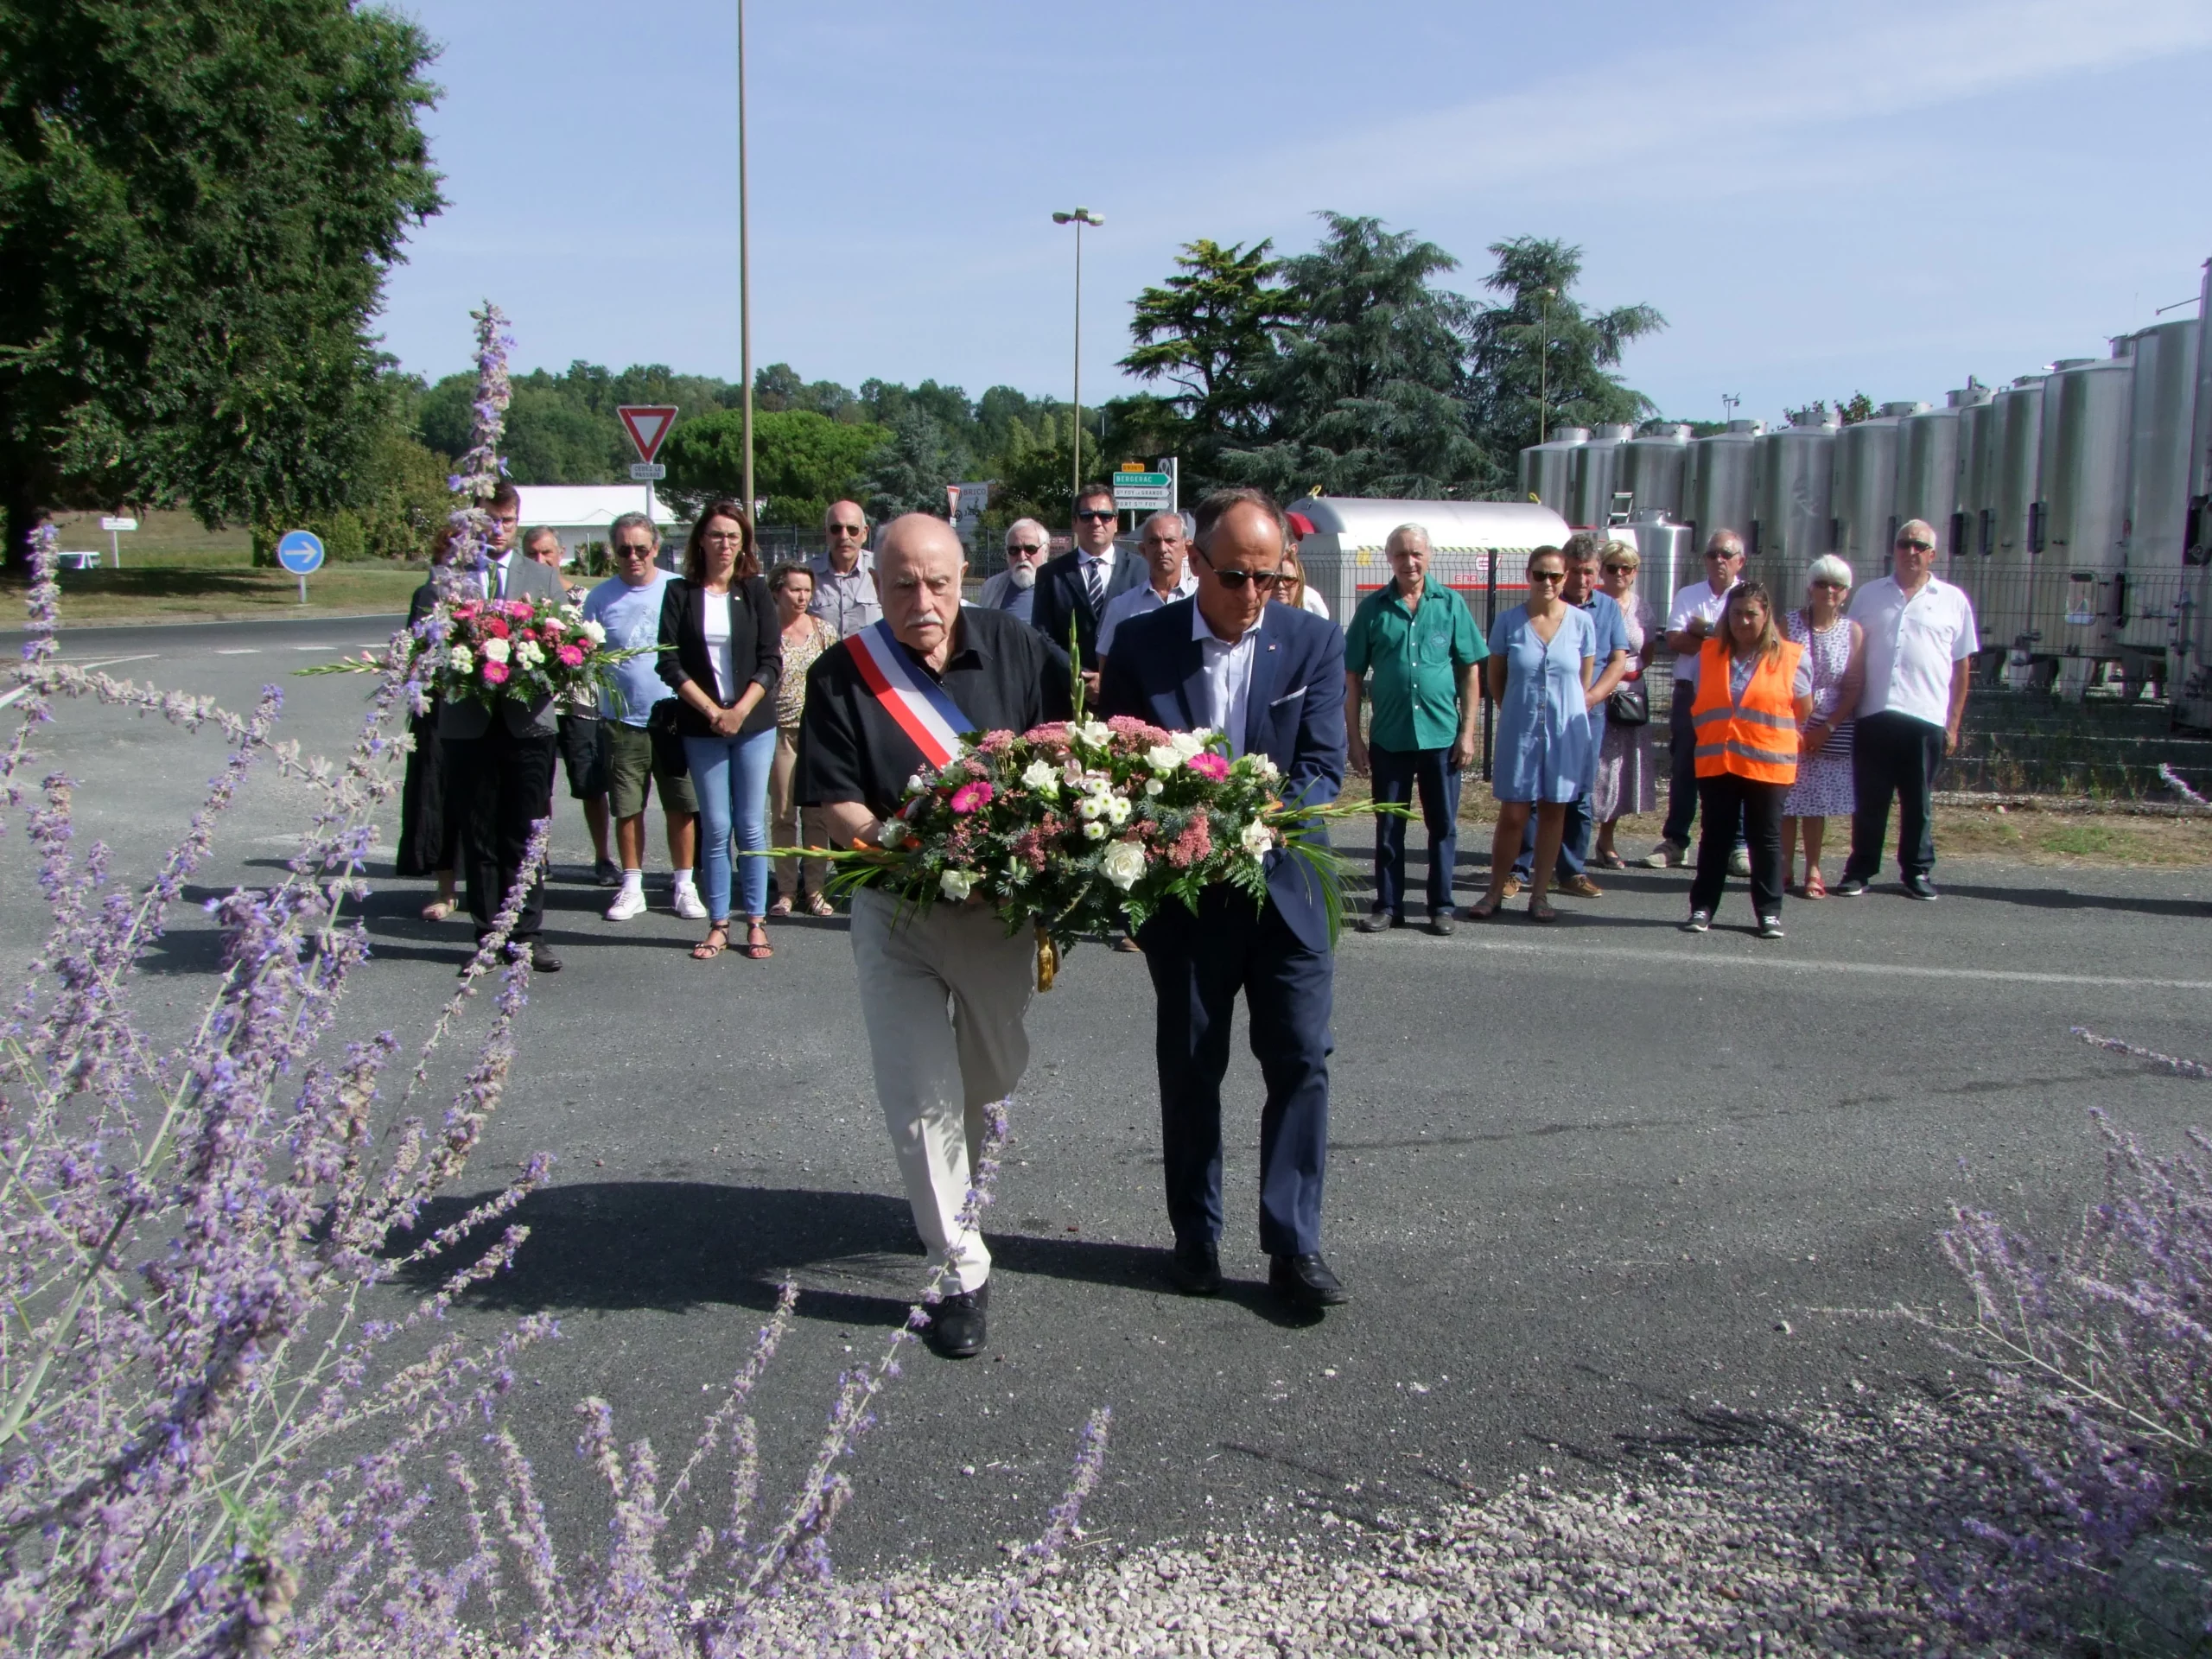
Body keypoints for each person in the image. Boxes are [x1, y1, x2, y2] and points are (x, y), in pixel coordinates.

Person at [795, 514, 1072, 1358]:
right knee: (920, 1097)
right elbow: (831, 800)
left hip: (997, 915)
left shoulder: (1023, 653)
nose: (924, 600)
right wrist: (905, 848)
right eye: (904, 584)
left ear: (966, 578)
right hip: (896, 909)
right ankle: (959, 1270)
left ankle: (959, 1202)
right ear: (875, 589)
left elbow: (1070, 760)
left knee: (987, 1080)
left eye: (939, 581)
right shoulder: (844, 674)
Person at [1098, 486, 1352, 1314]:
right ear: (1198, 564)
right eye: (1237, 577)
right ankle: (1195, 1235)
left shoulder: (1312, 640)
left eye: (1270, 579)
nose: (1253, 597)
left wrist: (1264, 814)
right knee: (1192, 1066)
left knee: (1302, 1062)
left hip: (1285, 890)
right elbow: (1118, 769)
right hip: (1188, 900)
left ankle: (1292, 1245)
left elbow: (1323, 766)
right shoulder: (1142, 644)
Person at [439, 481, 567, 973]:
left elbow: (564, 645)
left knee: (527, 832)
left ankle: (529, 934)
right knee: (481, 833)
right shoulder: (448, 578)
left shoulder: (543, 576)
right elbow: (424, 646)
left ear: (517, 521)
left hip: (527, 722)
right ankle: (488, 935)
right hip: (468, 724)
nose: (499, 531)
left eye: (508, 522)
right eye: (490, 522)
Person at [1344, 522, 1484, 936]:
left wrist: (1469, 732)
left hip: (1442, 737)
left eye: (1417, 553)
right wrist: (1355, 739)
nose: (1410, 561)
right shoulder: (1374, 608)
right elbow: (1351, 677)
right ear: (1390, 558)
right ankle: (1388, 905)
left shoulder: (1451, 604)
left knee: (1442, 825)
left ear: (1429, 556)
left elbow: (1470, 672)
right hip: (1390, 737)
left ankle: (1441, 906)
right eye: (1402, 554)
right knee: (1389, 826)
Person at [658, 500, 781, 962]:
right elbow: (668, 661)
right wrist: (713, 710)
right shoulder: (679, 593)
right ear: (701, 541)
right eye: (716, 535)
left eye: (733, 536)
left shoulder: (754, 591)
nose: (725, 544)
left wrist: (740, 710)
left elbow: (771, 659)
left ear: (743, 542)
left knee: (750, 826)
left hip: (753, 723)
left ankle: (755, 921)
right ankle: (717, 923)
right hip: (701, 723)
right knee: (716, 826)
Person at [1834, 520, 1976, 901]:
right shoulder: (1868, 595)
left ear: (1932, 554)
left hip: (1925, 716)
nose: (1910, 551)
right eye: (1903, 544)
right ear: (1893, 549)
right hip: (1875, 712)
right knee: (1870, 798)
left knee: (1918, 802)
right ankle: (1861, 869)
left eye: (1919, 545)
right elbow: (1850, 653)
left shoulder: (1952, 600)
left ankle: (1916, 871)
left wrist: (1954, 722)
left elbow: (1962, 666)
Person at [582, 512, 703, 923]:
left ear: (655, 547)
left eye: (641, 548)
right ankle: (632, 885)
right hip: (622, 719)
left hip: (673, 717)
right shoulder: (599, 598)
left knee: (682, 805)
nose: (633, 556)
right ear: (613, 552)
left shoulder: (678, 588)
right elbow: (585, 655)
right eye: (623, 549)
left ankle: (684, 883)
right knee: (627, 807)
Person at [1470, 547, 1595, 924]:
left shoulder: (1581, 624)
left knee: (1555, 811)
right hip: (1520, 730)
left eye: (1555, 576)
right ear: (1529, 575)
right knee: (1514, 813)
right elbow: (1497, 679)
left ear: (1565, 578)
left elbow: (1582, 680)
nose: (1548, 583)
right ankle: (1495, 891)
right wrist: (1517, 711)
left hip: (1563, 732)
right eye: (1540, 575)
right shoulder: (1509, 622)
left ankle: (1540, 895)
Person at [1683, 581, 1812, 938]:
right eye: (1736, 613)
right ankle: (1702, 908)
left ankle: (1769, 912)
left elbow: (1802, 708)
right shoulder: (1708, 653)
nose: (1742, 621)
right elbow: (1702, 702)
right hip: (1717, 761)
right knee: (1715, 838)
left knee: (1765, 839)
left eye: (1751, 614)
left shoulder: (1790, 656)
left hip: (1767, 763)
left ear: (1766, 615)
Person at [1510, 533, 1630, 899]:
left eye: (1589, 572)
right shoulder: (1543, 607)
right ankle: (1520, 869)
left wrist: (1591, 697)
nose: (1581, 580)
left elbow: (1617, 659)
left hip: (1584, 717)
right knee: (1531, 793)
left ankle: (1571, 870)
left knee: (1577, 794)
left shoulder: (1606, 610)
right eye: (1573, 572)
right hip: (1540, 717)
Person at [1643, 530, 1746, 869]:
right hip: (1691, 692)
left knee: (1735, 768)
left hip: (1734, 695)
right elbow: (1675, 640)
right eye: (1713, 553)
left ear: (1739, 561)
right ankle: (1676, 840)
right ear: (1704, 559)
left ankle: (1738, 845)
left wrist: (1703, 634)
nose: (1719, 560)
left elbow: (1753, 641)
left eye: (1726, 554)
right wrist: (1723, 640)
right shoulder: (1689, 594)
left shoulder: (1748, 596)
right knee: (1685, 766)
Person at [1781, 556, 1866, 899]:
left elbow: (1854, 685)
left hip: (1832, 724)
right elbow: (1777, 673)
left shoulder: (1853, 631)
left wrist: (1827, 726)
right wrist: (1797, 727)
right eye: (1822, 584)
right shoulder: (1788, 624)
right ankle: (1782, 865)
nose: (1829, 591)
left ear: (1845, 592)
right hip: (1791, 721)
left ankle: (1813, 867)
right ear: (1810, 587)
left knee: (1816, 803)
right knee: (1787, 797)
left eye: (1837, 586)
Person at [765, 562, 839, 918]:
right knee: (782, 815)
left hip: (816, 734)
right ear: (778, 590)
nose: (802, 596)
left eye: (807, 590)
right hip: (778, 733)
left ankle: (816, 890)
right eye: (795, 589)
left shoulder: (824, 631)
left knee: (817, 816)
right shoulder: (766, 631)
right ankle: (785, 891)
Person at [398, 524, 464, 921]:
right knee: (438, 795)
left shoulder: (493, 587)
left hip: (484, 707)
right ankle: (446, 889)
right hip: (439, 710)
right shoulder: (430, 594)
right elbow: (416, 654)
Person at [1030, 481, 1144, 685]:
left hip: (1125, 692)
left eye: (1105, 516)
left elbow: (1146, 633)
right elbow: (1043, 636)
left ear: (1116, 522)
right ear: (1074, 522)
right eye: (1087, 516)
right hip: (1068, 694)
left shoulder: (1141, 571)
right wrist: (1080, 675)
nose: (1096, 522)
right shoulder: (1051, 574)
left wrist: (1108, 678)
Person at [1591, 542, 1657, 868]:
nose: (1619, 574)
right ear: (1601, 570)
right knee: (1593, 769)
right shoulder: (1593, 604)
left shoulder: (1642, 608)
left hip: (1630, 696)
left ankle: (1606, 840)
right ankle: (1568, 838)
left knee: (1620, 769)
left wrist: (1632, 671)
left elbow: (1649, 650)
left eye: (1626, 568)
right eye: (1612, 567)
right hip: (1596, 690)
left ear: (1635, 572)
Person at [1096, 511, 1196, 659]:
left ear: (1186, 549)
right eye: (1153, 542)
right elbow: (1107, 664)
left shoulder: (1202, 601)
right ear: (1143, 550)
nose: (1162, 549)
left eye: (1170, 541)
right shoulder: (1121, 607)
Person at [809, 500, 880, 638]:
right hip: (825, 658)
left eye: (852, 529)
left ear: (864, 533)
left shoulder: (881, 570)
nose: (844, 536)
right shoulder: (807, 574)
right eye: (836, 529)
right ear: (826, 533)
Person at [978, 518, 1049, 623]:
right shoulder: (991, 588)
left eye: (1030, 549)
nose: (1022, 557)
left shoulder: (1059, 587)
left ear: (1045, 552)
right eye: (1014, 550)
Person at [1275, 534, 1331, 620]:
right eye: (1274, 578)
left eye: (1288, 579)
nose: (1280, 585)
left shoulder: (1310, 598)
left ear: (1299, 581)